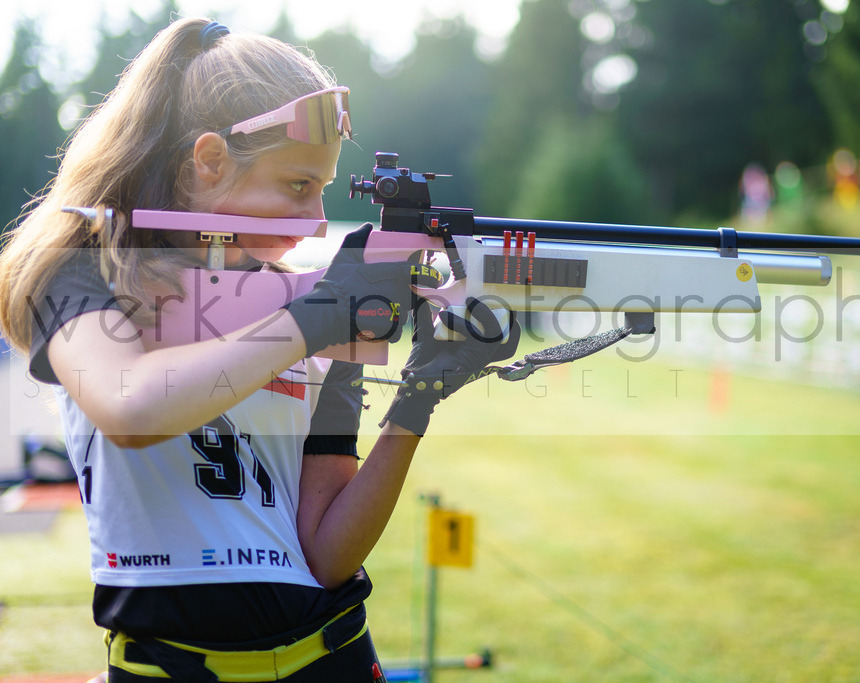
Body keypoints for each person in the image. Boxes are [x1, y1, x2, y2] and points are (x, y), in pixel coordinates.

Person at [0, 18, 516, 682]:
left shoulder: (311, 299)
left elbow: (327, 554)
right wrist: (319, 315)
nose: (318, 218)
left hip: (331, 657)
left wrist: (419, 397)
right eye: (298, 186)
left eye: (324, 188)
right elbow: (130, 407)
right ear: (210, 161)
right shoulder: (86, 273)